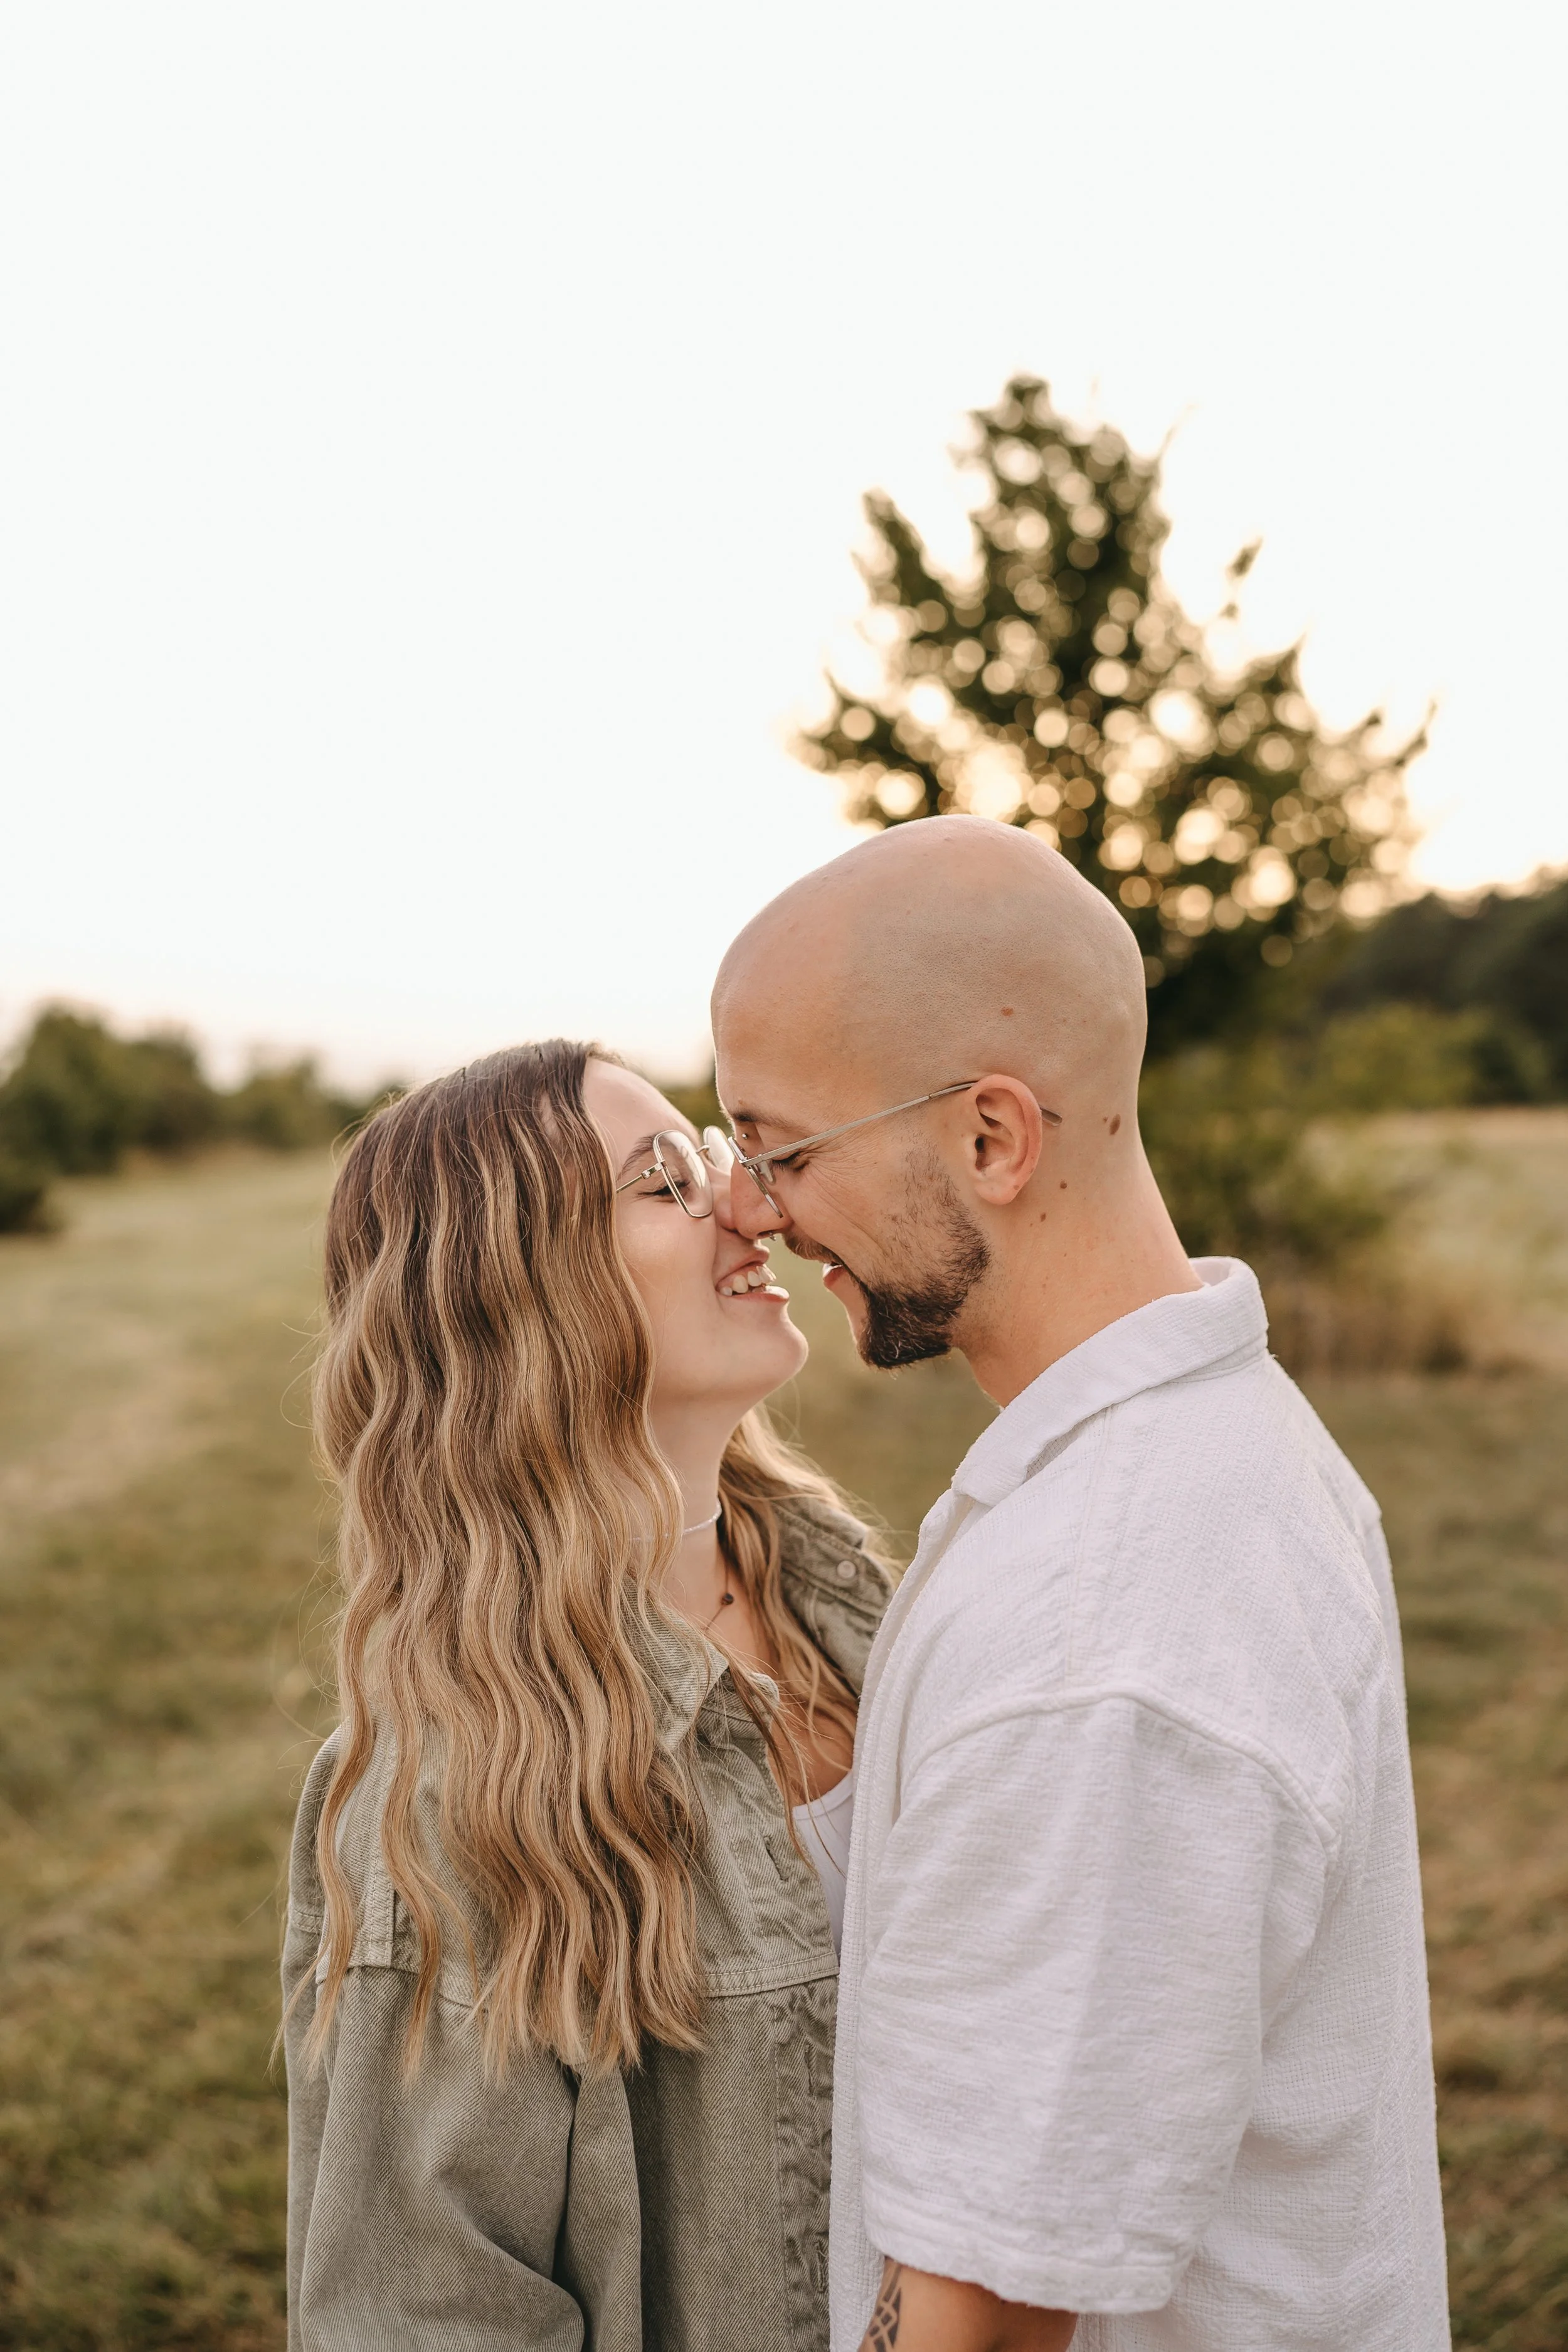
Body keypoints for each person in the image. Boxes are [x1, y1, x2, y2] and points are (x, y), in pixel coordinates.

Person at [711, 817, 1448, 2352]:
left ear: (990, 1139)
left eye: (779, 1149)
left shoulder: (1098, 1634)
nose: (753, 1212)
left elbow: (979, 2316)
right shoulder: (1209, 1441)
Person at [282, 1041, 889, 2350]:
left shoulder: (850, 1601)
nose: (749, 1203)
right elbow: (426, 2317)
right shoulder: (454, 1797)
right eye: (663, 1181)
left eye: (712, 1156)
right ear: (523, 1295)